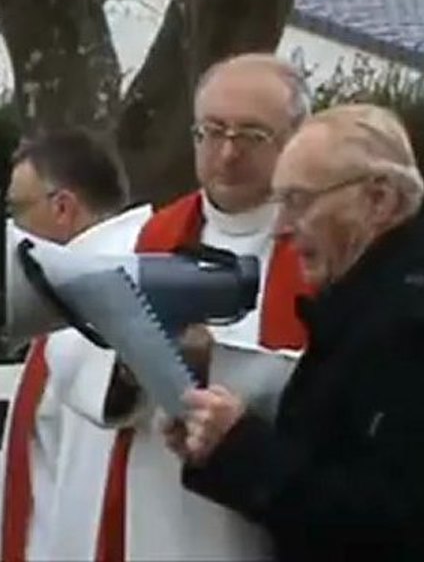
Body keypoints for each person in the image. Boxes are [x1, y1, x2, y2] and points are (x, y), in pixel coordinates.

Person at [169, 103, 424, 561]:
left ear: (379, 200)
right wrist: (219, 447)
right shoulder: (365, 306)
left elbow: (388, 523)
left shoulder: (406, 325)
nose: (281, 229)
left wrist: (242, 446)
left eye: (298, 201)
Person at [89, 53, 315, 562]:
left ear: (296, 140)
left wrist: (217, 366)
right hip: (163, 501)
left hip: (267, 506)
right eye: (212, 131)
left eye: (252, 136)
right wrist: (127, 368)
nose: (228, 154)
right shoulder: (144, 239)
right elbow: (79, 370)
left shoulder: (319, 240)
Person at [0, 128, 152, 561]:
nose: (13, 228)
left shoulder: (102, 289)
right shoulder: (70, 291)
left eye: (17, 209)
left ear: (62, 207)